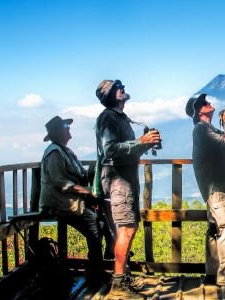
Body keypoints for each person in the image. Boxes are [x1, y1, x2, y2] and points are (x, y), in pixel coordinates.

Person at [95, 79, 161, 297]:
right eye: (117, 87)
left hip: (125, 180)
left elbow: (125, 151)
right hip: (118, 181)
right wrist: (141, 141)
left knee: (130, 227)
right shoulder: (108, 118)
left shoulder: (119, 118)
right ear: (111, 95)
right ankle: (119, 285)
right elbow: (110, 150)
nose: (122, 88)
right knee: (126, 228)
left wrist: (145, 144)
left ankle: (123, 277)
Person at [185, 93, 225, 294]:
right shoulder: (202, 129)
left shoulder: (207, 130)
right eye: (204, 103)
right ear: (198, 111)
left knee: (215, 231)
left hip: (218, 190)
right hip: (221, 189)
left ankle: (212, 274)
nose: (209, 103)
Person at [39, 116, 105, 283]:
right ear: (59, 132)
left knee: (100, 224)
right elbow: (58, 181)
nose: (69, 129)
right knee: (94, 228)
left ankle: (95, 269)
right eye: (66, 126)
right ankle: (95, 274)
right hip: (61, 204)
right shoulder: (54, 152)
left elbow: (79, 175)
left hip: (71, 202)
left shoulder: (65, 151)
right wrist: (86, 191)